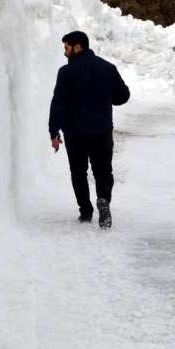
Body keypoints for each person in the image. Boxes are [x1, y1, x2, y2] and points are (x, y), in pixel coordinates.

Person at [48, 31, 130, 228]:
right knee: (103, 171)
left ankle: (85, 211)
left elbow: (58, 103)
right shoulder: (107, 68)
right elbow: (123, 96)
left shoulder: (65, 73)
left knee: (78, 172)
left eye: (67, 48)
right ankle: (103, 200)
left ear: (78, 47)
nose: (65, 53)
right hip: (101, 131)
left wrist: (54, 132)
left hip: (75, 133)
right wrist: (104, 96)